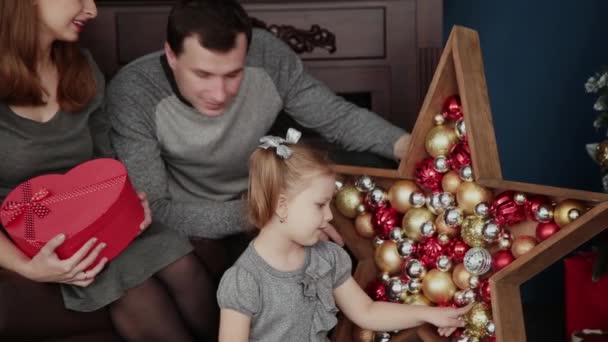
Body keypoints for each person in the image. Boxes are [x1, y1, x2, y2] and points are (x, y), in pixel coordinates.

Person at [0, 1, 216, 341]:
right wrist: (28, 268)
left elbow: (106, 161)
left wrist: (129, 203)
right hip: (35, 234)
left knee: (183, 265)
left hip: (95, 217)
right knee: (135, 287)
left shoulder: (81, 67)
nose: (92, 9)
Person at [108, 0, 410, 242]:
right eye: (202, 75)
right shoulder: (135, 90)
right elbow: (155, 208)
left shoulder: (267, 56)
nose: (219, 93)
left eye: (233, 74)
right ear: (172, 55)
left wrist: (410, 146)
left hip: (262, 198)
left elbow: (338, 118)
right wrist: (272, 211)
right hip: (191, 218)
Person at [216, 128, 470, 341]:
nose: (329, 216)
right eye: (319, 205)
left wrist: (428, 314)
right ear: (282, 206)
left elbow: (366, 311)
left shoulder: (325, 258)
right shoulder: (245, 280)